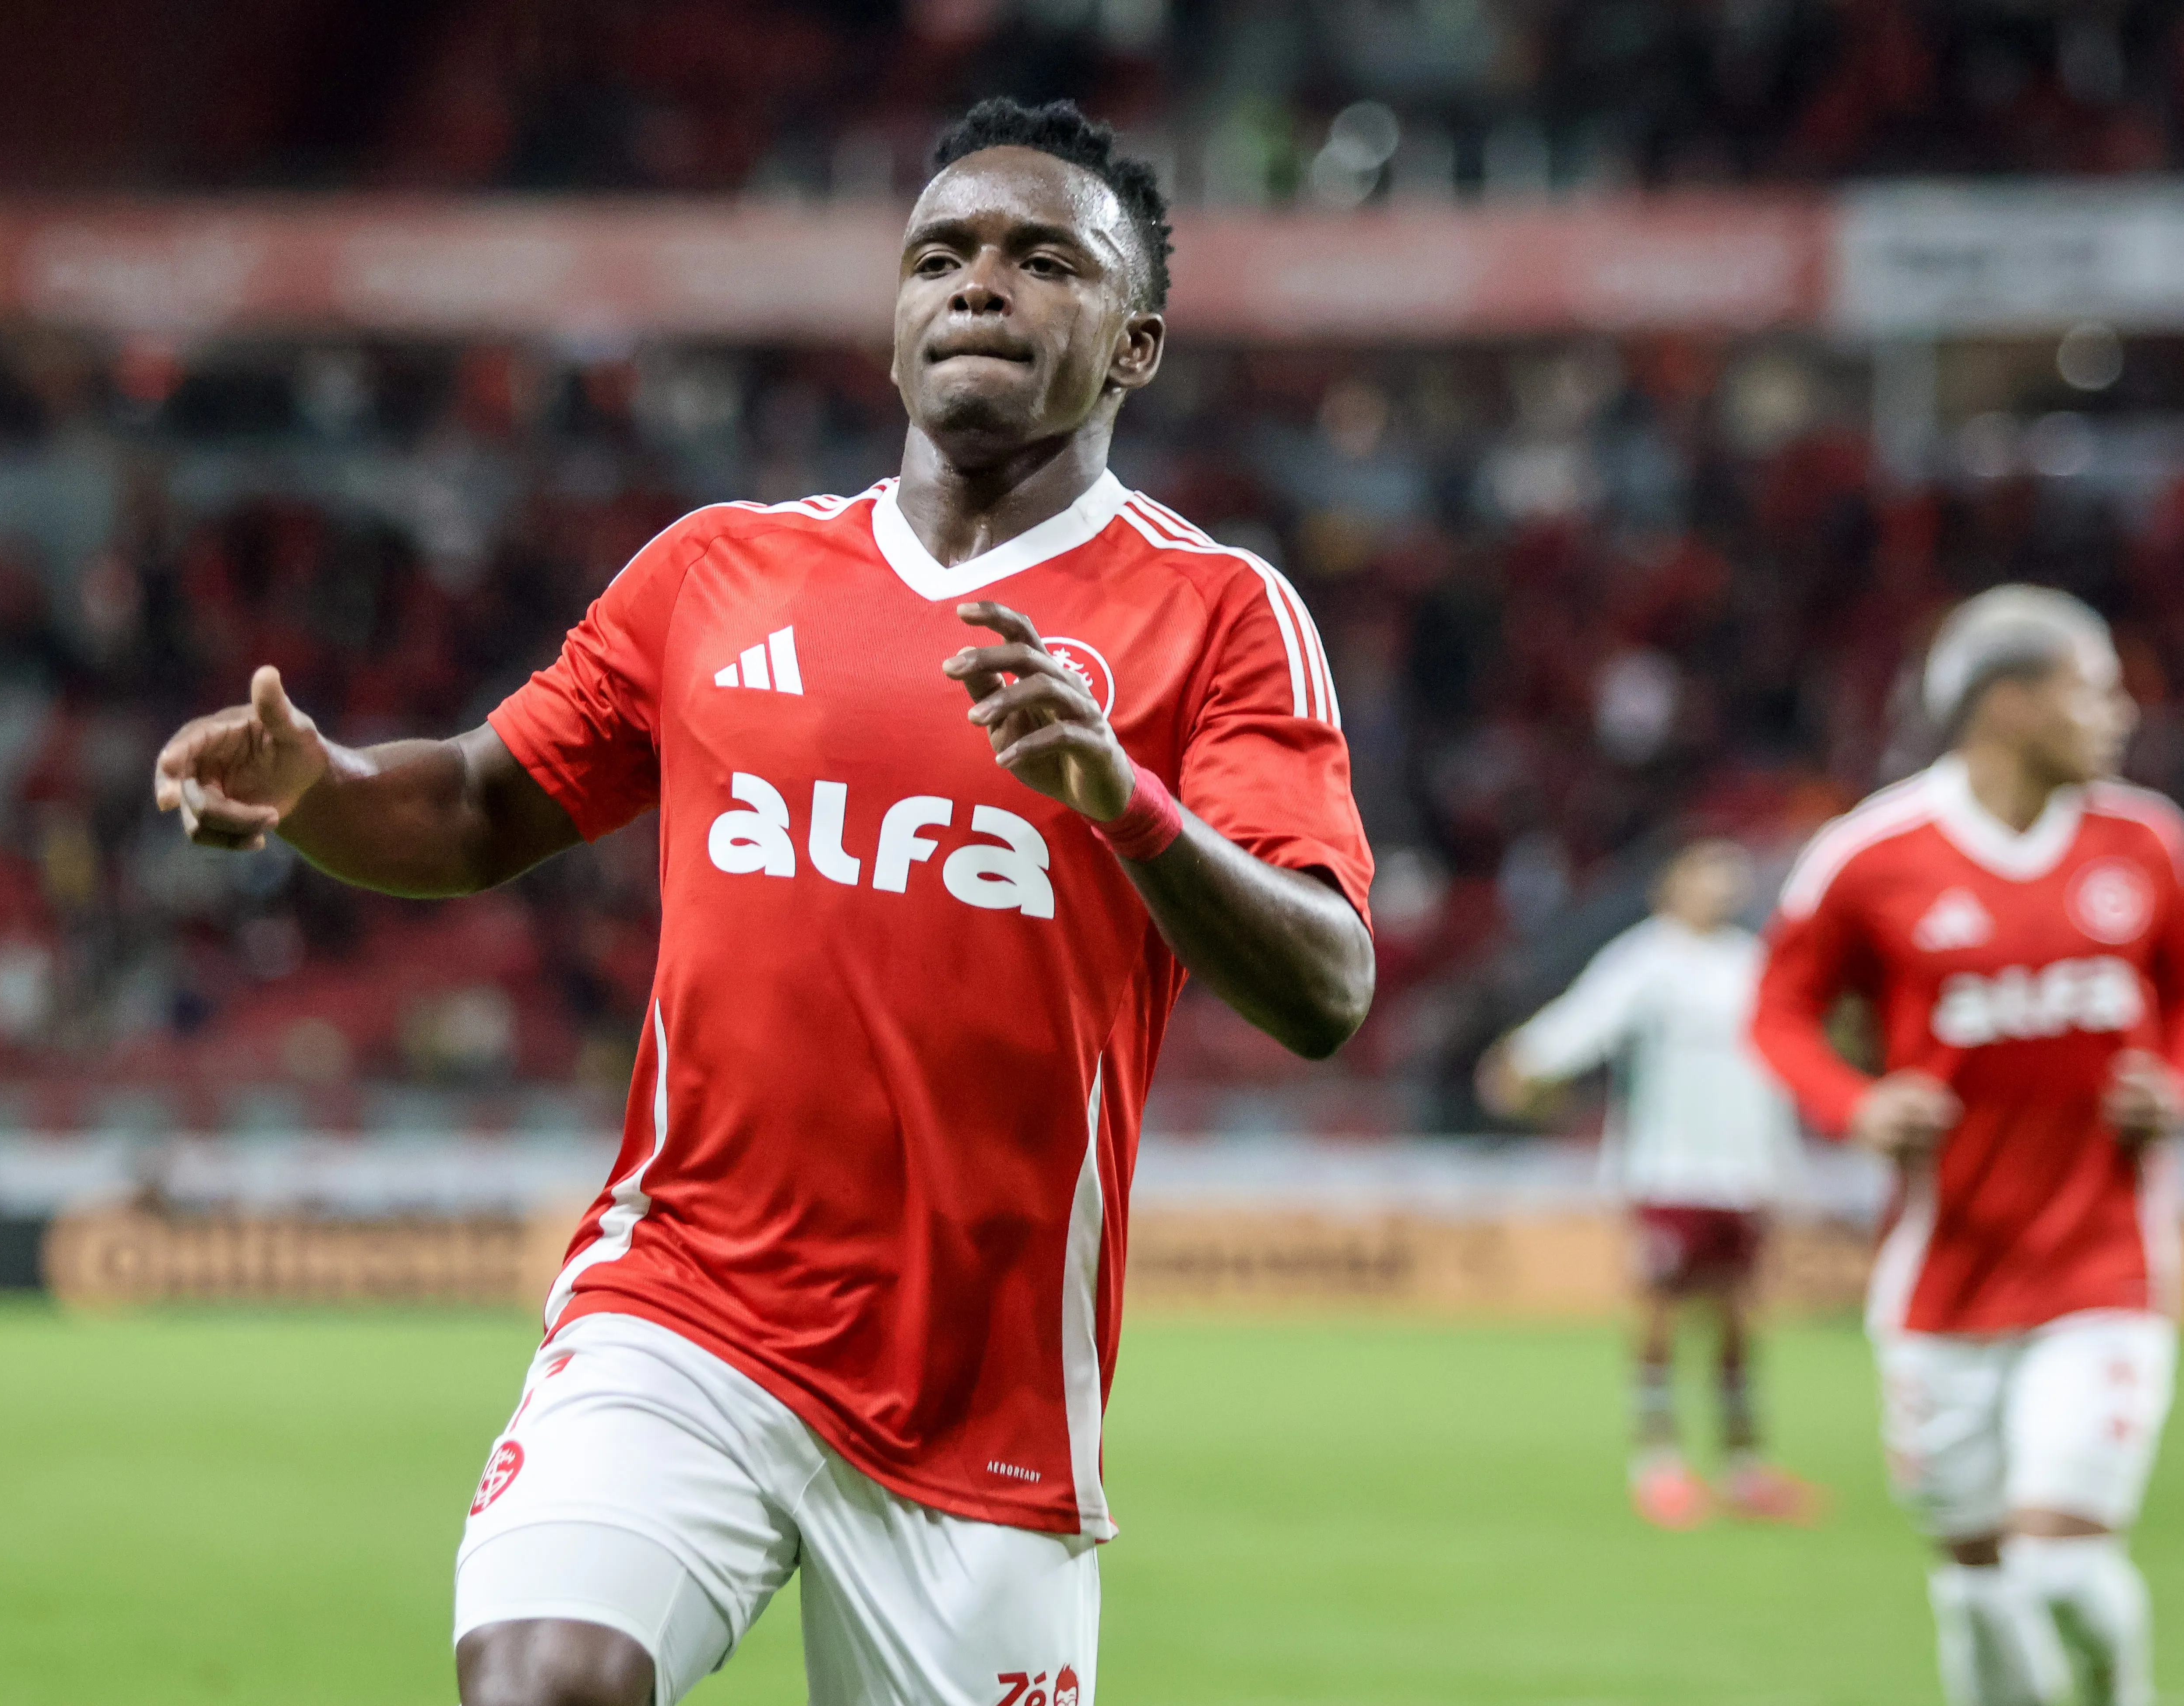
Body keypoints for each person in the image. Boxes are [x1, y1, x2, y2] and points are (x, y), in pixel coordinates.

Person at [152, 99, 1375, 1706]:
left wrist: (1129, 807)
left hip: (981, 1396)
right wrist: (319, 786)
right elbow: (474, 805)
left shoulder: (1216, 615)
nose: (978, 284)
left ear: (1134, 345)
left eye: (1041, 260)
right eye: (938, 257)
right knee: (544, 1682)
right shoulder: (717, 573)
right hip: (683, 1307)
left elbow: (1325, 984)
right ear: (891, 326)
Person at [1750, 586, 2184, 1706]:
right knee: (1979, 1592)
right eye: (2094, 689)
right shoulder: (1871, 855)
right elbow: (1780, 1012)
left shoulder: (2148, 844)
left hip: (2102, 1268)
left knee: (2058, 1566)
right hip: (1940, 1279)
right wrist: (1855, 1104)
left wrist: (2175, 1082)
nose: (2122, 712)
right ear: (2008, 703)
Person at [1479, 839, 1819, 1531]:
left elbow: (1779, 1068)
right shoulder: (1646, 959)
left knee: (1738, 1319)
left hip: (1742, 1174)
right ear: (1673, 885)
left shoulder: (1750, 964)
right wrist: (1526, 1060)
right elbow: (1585, 1020)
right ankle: (1659, 1466)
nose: (1720, 887)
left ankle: (1744, 1468)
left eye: (1728, 876)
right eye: (1706, 874)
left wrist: (1785, 1169)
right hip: (1669, 1170)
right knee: (1660, 1315)